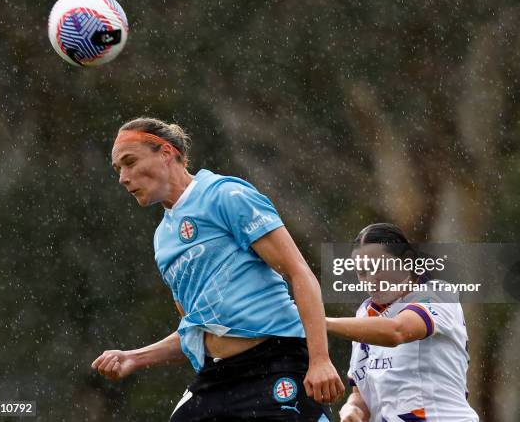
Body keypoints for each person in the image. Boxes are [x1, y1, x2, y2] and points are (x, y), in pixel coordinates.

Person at [91, 117, 343, 421]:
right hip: (217, 377)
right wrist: (135, 358)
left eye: (129, 162)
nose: (123, 178)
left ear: (166, 152)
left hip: (276, 361)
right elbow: (197, 329)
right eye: (118, 170)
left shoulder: (225, 196)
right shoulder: (163, 239)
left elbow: (299, 272)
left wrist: (320, 359)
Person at [327, 223, 479, 422]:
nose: (371, 280)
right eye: (362, 272)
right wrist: (352, 408)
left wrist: (321, 322)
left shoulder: (438, 294)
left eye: (378, 267)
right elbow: (361, 393)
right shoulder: (364, 315)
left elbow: (396, 331)